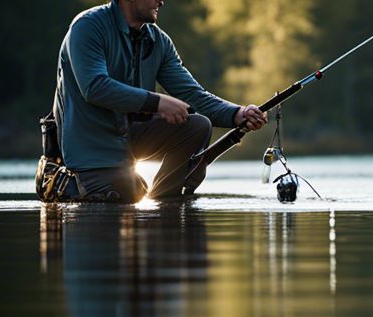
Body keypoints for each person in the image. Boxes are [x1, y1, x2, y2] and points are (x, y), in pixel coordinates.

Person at [37, 0, 268, 203]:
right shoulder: (87, 27)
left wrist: (237, 113)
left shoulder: (159, 41)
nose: (162, 1)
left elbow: (193, 95)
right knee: (128, 191)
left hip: (127, 141)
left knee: (198, 126)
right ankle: (72, 186)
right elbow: (95, 87)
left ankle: (166, 203)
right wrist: (157, 102)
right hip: (88, 151)